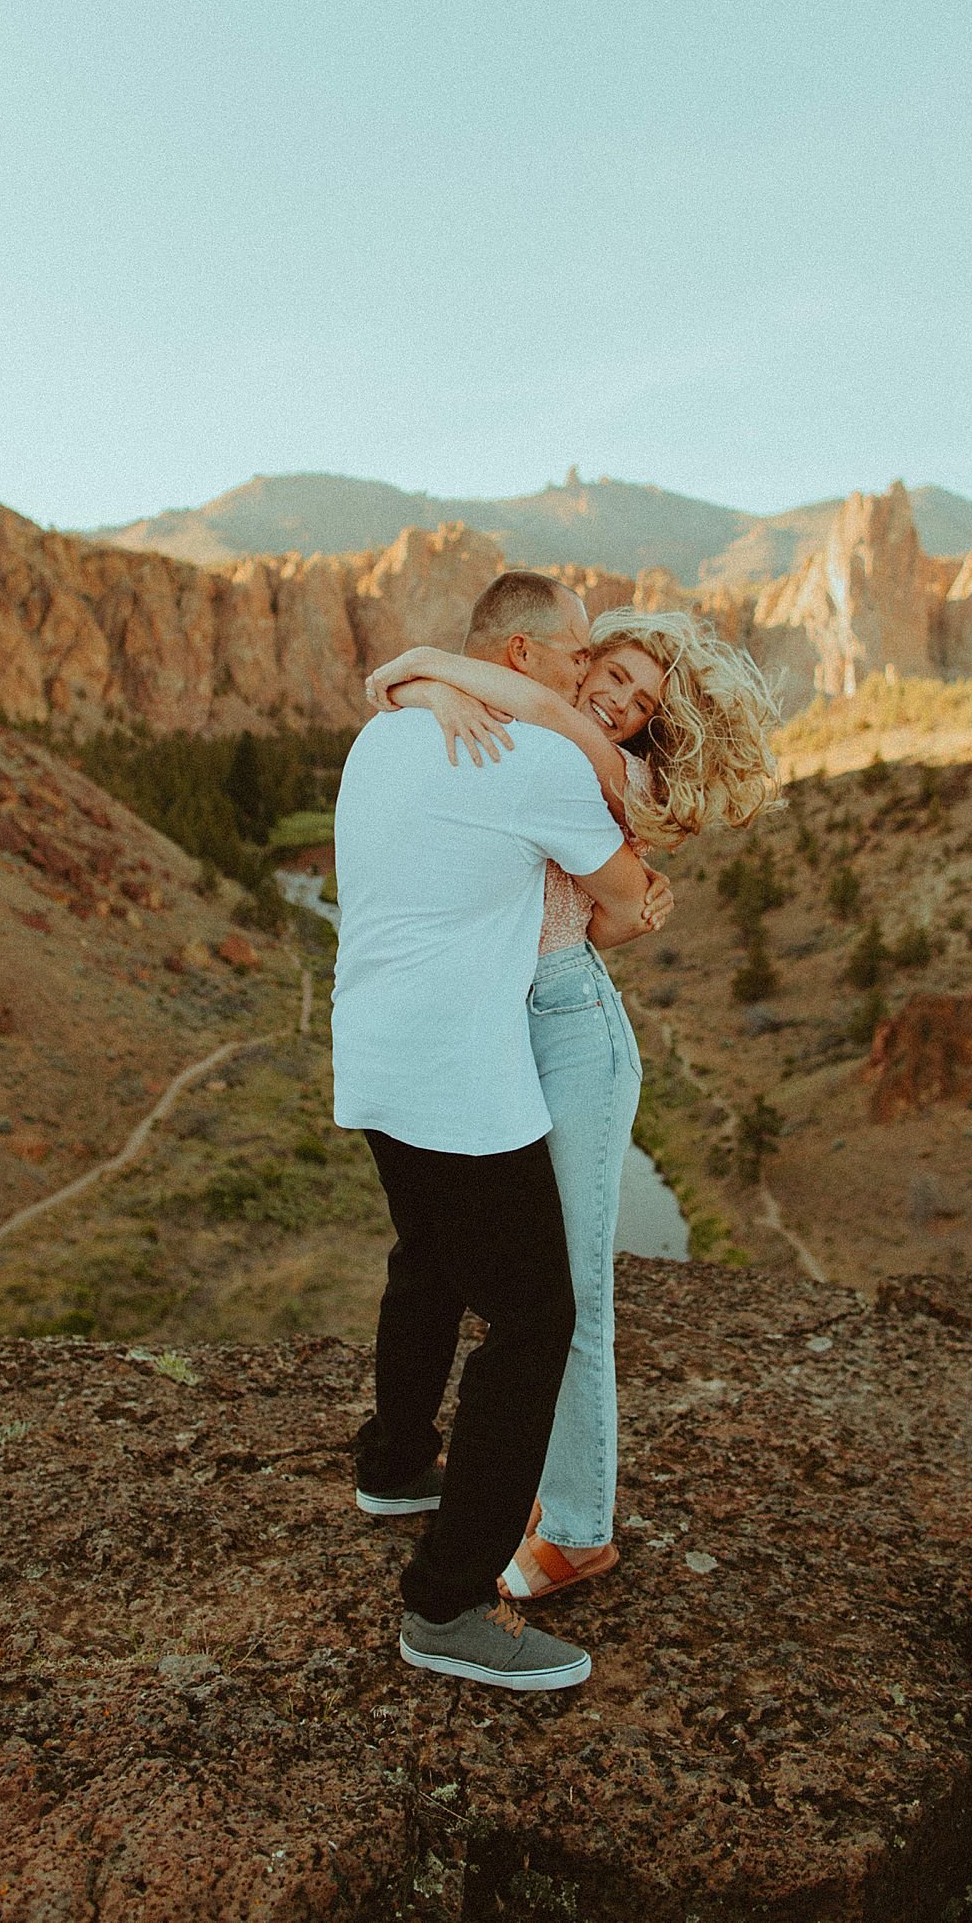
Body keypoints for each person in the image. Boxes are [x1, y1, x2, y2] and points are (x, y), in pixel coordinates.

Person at [366, 606, 779, 1599]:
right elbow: (599, 917)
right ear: (587, 659)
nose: (618, 701)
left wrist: (419, 668)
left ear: (647, 732)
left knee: (570, 1293)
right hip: (513, 1020)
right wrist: (421, 691)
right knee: (512, 1277)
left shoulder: (603, 763)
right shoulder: (543, 737)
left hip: (570, 1037)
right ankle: (534, 1480)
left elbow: (552, 720)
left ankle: (583, 1528)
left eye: (641, 704)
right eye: (616, 674)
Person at [332, 572, 670, 1692]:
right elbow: (625, 900)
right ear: (522, 655)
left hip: (371, 1061)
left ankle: (394, 1464)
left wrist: (418, 674)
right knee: (535, 1319)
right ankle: (449, 1604)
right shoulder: (535, 767)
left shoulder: (381, 735)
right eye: (579, 654)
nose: (590, 674)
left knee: (428, 1259)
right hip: (461, 1083)